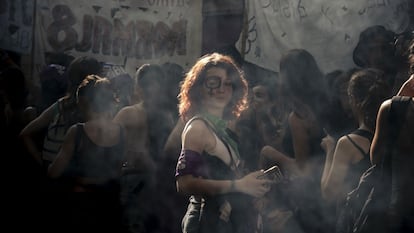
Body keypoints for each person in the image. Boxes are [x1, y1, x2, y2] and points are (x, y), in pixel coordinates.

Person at [175, 52, 273, 233]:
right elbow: (184, 184)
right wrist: (239, 185)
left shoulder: (223, 130)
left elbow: (227, 176)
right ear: (198, 86)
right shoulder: (198, 128)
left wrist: (251, 189)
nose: (222, 89)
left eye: (228, 83)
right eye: (213, 82)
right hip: (206, 222)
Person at [47, 75, 126, 232]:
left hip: (82, 208)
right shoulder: (121, 132)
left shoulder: (77, 131)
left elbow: (54, 172)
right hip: (109, 208)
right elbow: (118, 172)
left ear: (83, 103)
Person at [321, 68, 391, 205]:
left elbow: (329, 194)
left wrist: (330, 150)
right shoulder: (395, 134)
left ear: (354, 101)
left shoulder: (348, 144)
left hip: (361, 220)